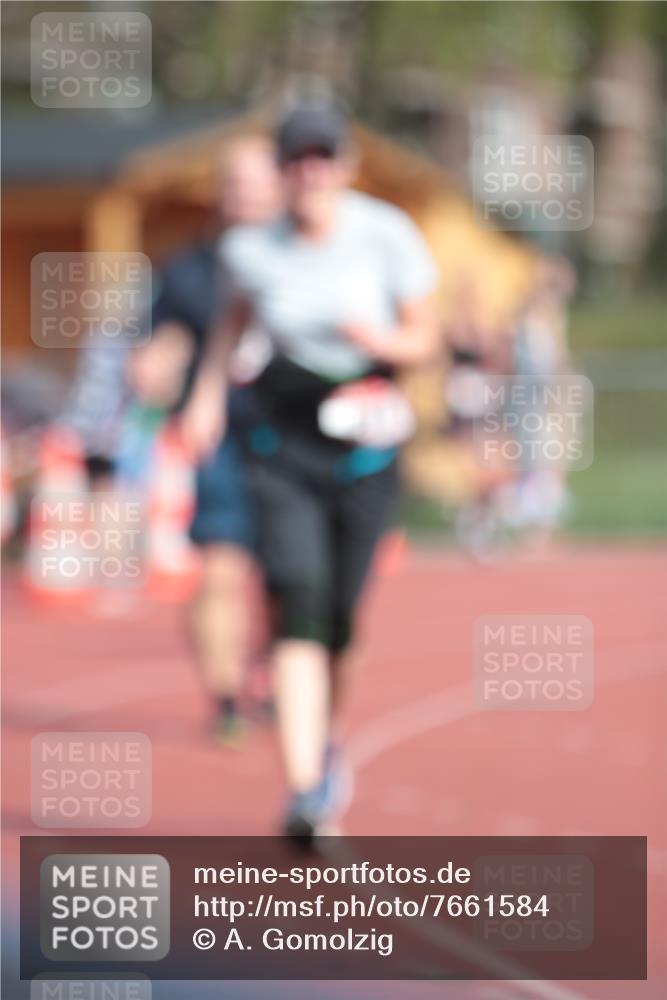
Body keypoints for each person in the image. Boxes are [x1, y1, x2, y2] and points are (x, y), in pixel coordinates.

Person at [183, 105, 440, 837]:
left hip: (365, 446)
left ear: (346, 165)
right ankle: (302, 791)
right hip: (283, 444)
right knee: (295, 597)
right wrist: (205, 396)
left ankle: (325, 743)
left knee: (339, 624)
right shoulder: (249, 249)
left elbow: (425, 334)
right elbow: (230, 323)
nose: (310, 172)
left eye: (323, 157)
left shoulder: (385, 233)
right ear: (280, 169)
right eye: (296, 159)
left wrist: (382, 339)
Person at [148, 136, 281, 744]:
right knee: (219, 572)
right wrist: (154, 363)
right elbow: (166, 339)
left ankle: (278, 673)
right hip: (219, 437)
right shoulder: (188, 270)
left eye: (257, 183)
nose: (246, 196)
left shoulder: (310, 259)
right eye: (235, 184)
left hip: (297, 441)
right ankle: (227, 696)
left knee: (290, 578)